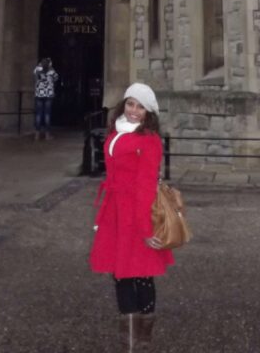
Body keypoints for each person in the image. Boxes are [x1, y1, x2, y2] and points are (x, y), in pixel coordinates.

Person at [90, 83, 173, 349]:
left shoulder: (148, 140)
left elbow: (146, 186)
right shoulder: (117, 130)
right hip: (115, 211)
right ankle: (128, 334)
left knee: (141, 274)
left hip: (137, 213)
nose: (134, 111)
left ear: (149, 112)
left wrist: (146, 229)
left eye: (140, 106)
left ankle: (144, 335)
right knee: (120, 272)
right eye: (130, 103)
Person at [33, 56, 59, 140]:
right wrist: (50, 66)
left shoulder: (37, 70)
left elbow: (34, 74)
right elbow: (56, 78)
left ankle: (37, 134)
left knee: (38, 114)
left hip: (39, 94)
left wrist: (39, 65)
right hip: (48, 94)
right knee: (47, 114)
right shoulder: (51, 71)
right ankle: (47, 135)